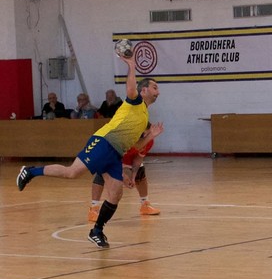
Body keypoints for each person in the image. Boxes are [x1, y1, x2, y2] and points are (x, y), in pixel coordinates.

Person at [16, 52, 162, 249]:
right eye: (155, 87)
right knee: (72, 172)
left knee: (115, 194)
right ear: (143, 90)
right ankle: (30, 171)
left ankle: (97, 231)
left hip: (115, 154)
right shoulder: (135, 102)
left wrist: (151, 135)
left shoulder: (144, 117)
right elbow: (130, 87)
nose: (158, 91)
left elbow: (136, 146)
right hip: (103, 142)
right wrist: (131, 65)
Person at [88, 124, 162, 222]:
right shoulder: (124, 139)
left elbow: (138, 159)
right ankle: (94, 209)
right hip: (109, 154)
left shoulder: (149, 140)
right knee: (101, 172)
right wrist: (122, 175)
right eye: (143, 134)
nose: (146, 137)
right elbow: (113, 160)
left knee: (140, 171)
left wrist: (133, 177)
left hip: (127, 157)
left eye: (148, 135)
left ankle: (145, 204)